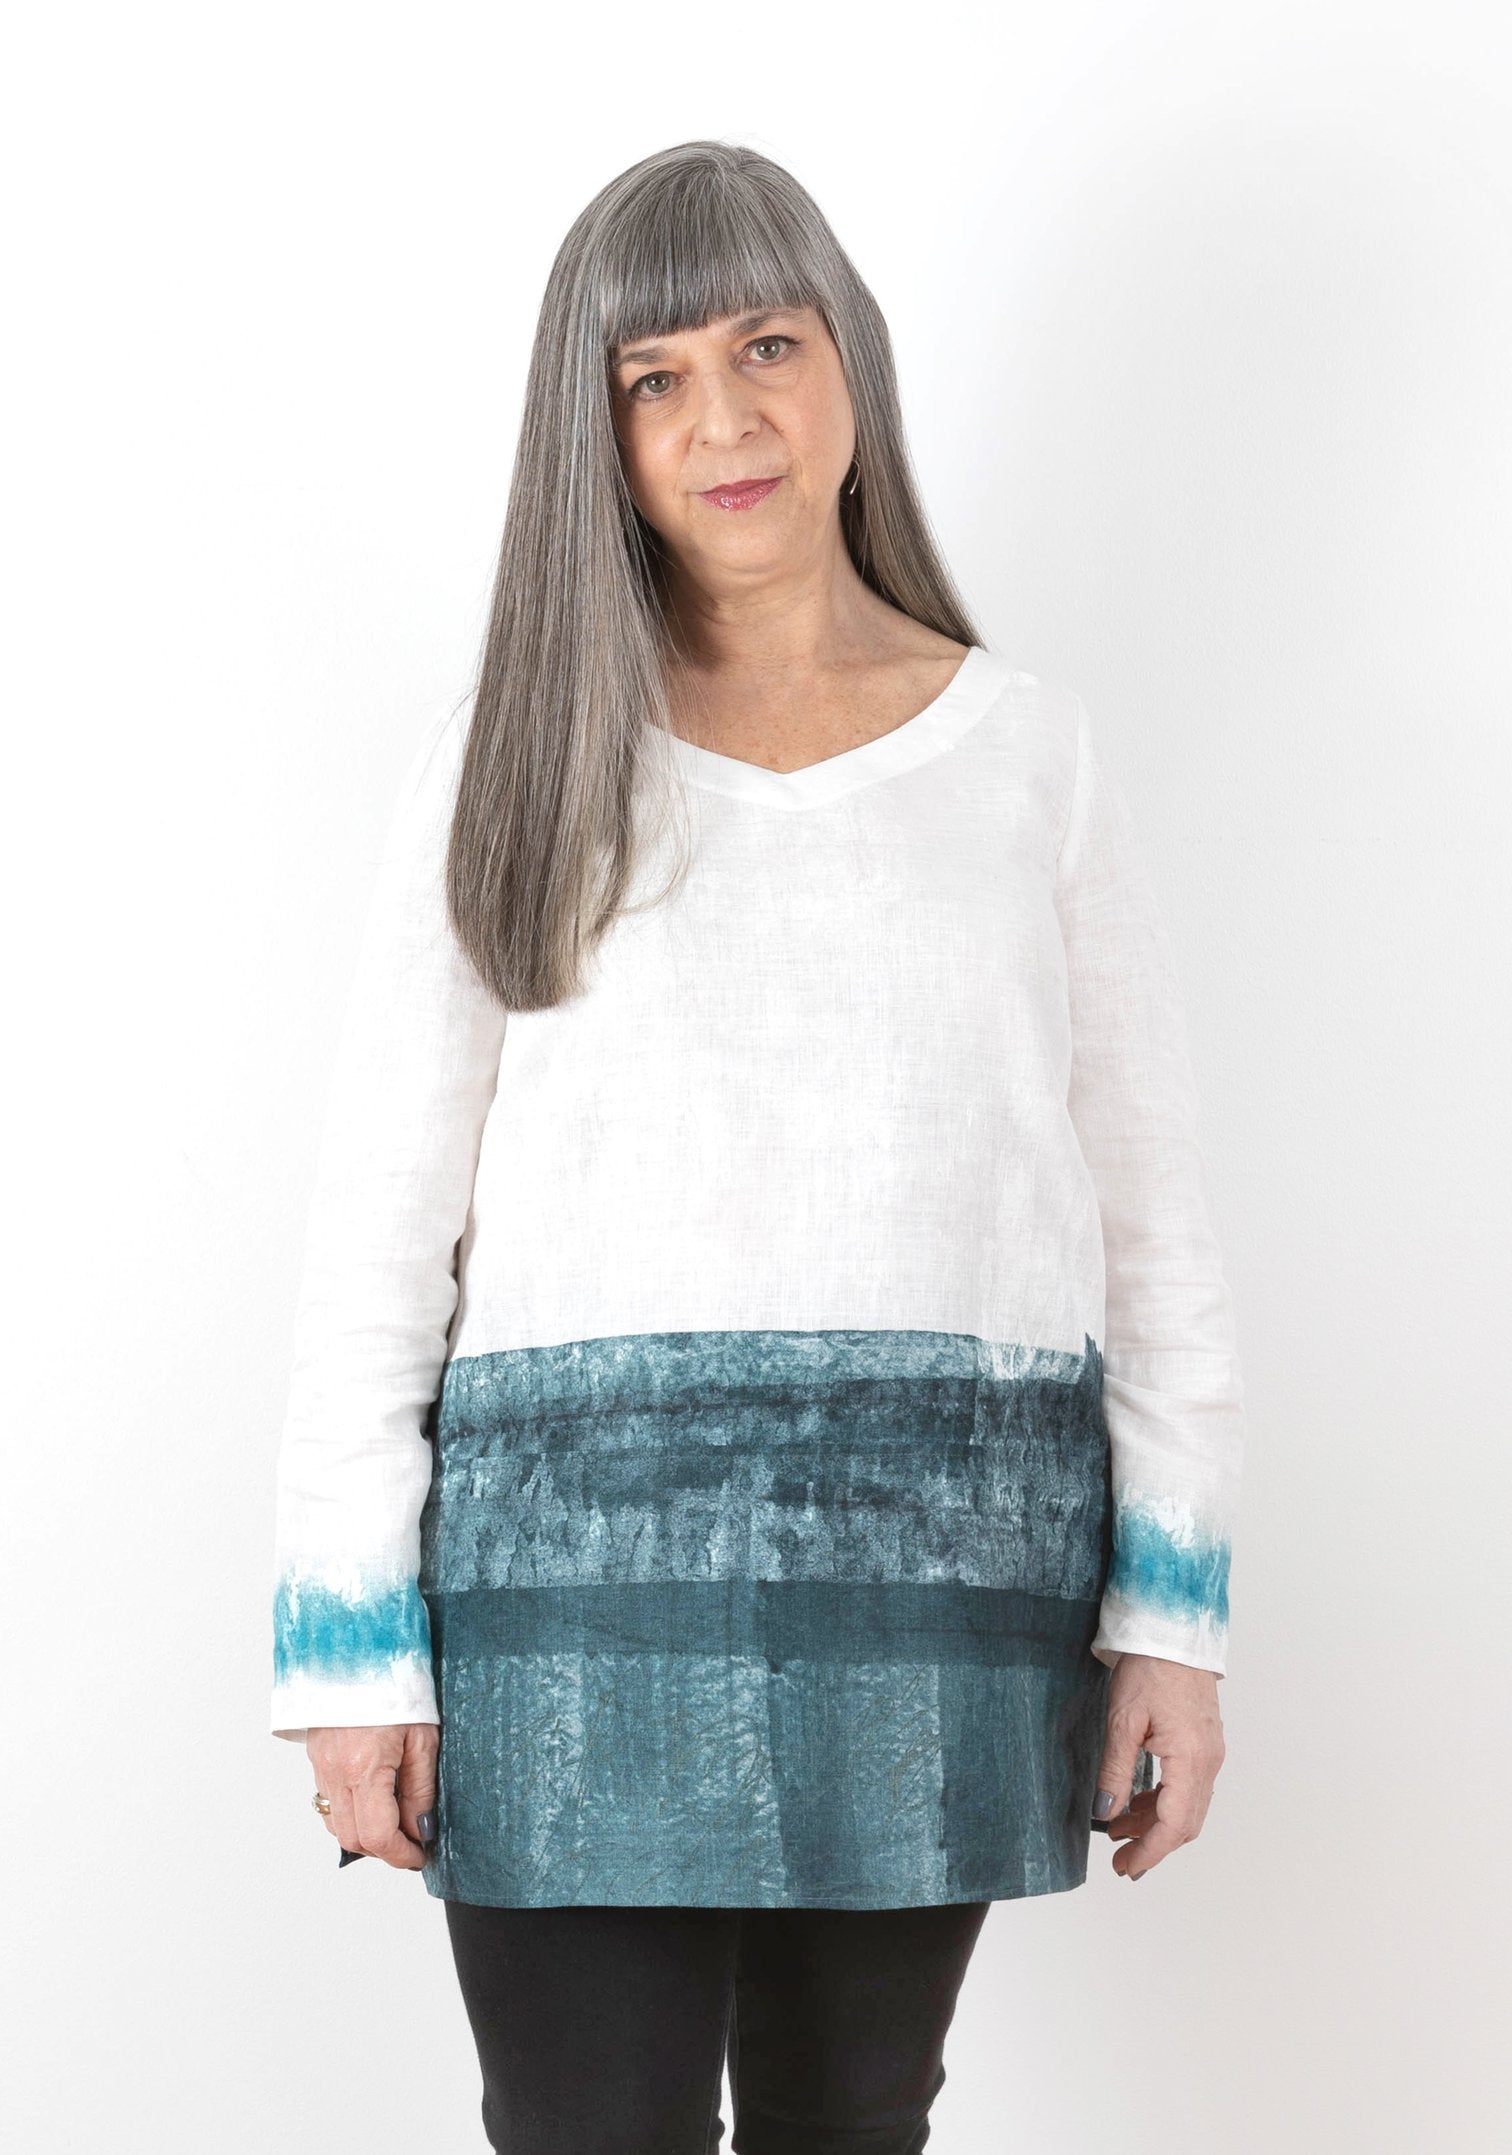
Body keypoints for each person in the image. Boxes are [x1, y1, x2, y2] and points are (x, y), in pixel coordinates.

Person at [269, 138, 1244, 2154]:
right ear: (599, 436)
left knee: (852, 2127)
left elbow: (1147, 1228)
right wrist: (350, 1647)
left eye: (766, 346)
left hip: (935, 1574)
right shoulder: (511, 756)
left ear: (849, 364)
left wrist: (1170, 1618)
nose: (722, 419)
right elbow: (383, 1232)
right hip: (566, 1598)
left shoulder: (1025, 756)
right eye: (654, 378)